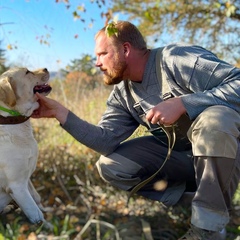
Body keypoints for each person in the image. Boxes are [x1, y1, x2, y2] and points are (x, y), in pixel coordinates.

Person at [32, 21, 240, 240]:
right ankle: (203, 207)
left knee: (216, 118)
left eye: (103, 54)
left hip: (231, 154)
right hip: (190, 161)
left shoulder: (176, 59)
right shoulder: (123, 94)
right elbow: (106, 142)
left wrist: (183, 103)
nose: (97, 63)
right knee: (111, 166)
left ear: (125, 49)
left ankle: (206, 230)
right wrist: (61, 113)